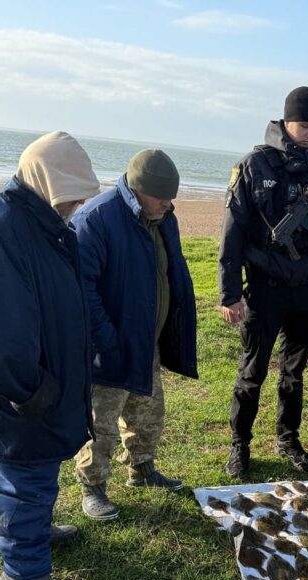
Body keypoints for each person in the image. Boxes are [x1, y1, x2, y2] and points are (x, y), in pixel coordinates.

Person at [0, 131, 100, 580]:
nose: (78, 202)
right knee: (25, 482)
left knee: (38, 476)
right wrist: (33, 393)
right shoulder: (2, 232)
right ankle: (22, 573)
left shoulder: (43, 222)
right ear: (43, 180)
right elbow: (0, 340)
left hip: (45, 385)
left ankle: (35, 531)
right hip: (21, 398)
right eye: (70, 192)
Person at [218, 86, 308, 479]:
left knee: (295, 373)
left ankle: (288, 439)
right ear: (287, 121)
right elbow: (232, 232)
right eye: (304, 125)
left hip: (305, 290)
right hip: (265, 289)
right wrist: (230, 294)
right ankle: (240, 446)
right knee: (252, 373)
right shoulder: (255, 165)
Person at [71, 149, 198, 520]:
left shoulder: (162, 216)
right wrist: (107, 340)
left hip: (147, 341)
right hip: (109, 345)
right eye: (161, 197)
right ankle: (92, 487)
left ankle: (142, 470)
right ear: (137, 189)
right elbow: (82, 289)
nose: (168, 204)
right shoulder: (97, 218)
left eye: (172, 197)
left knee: (149, 412)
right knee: (101, 423)